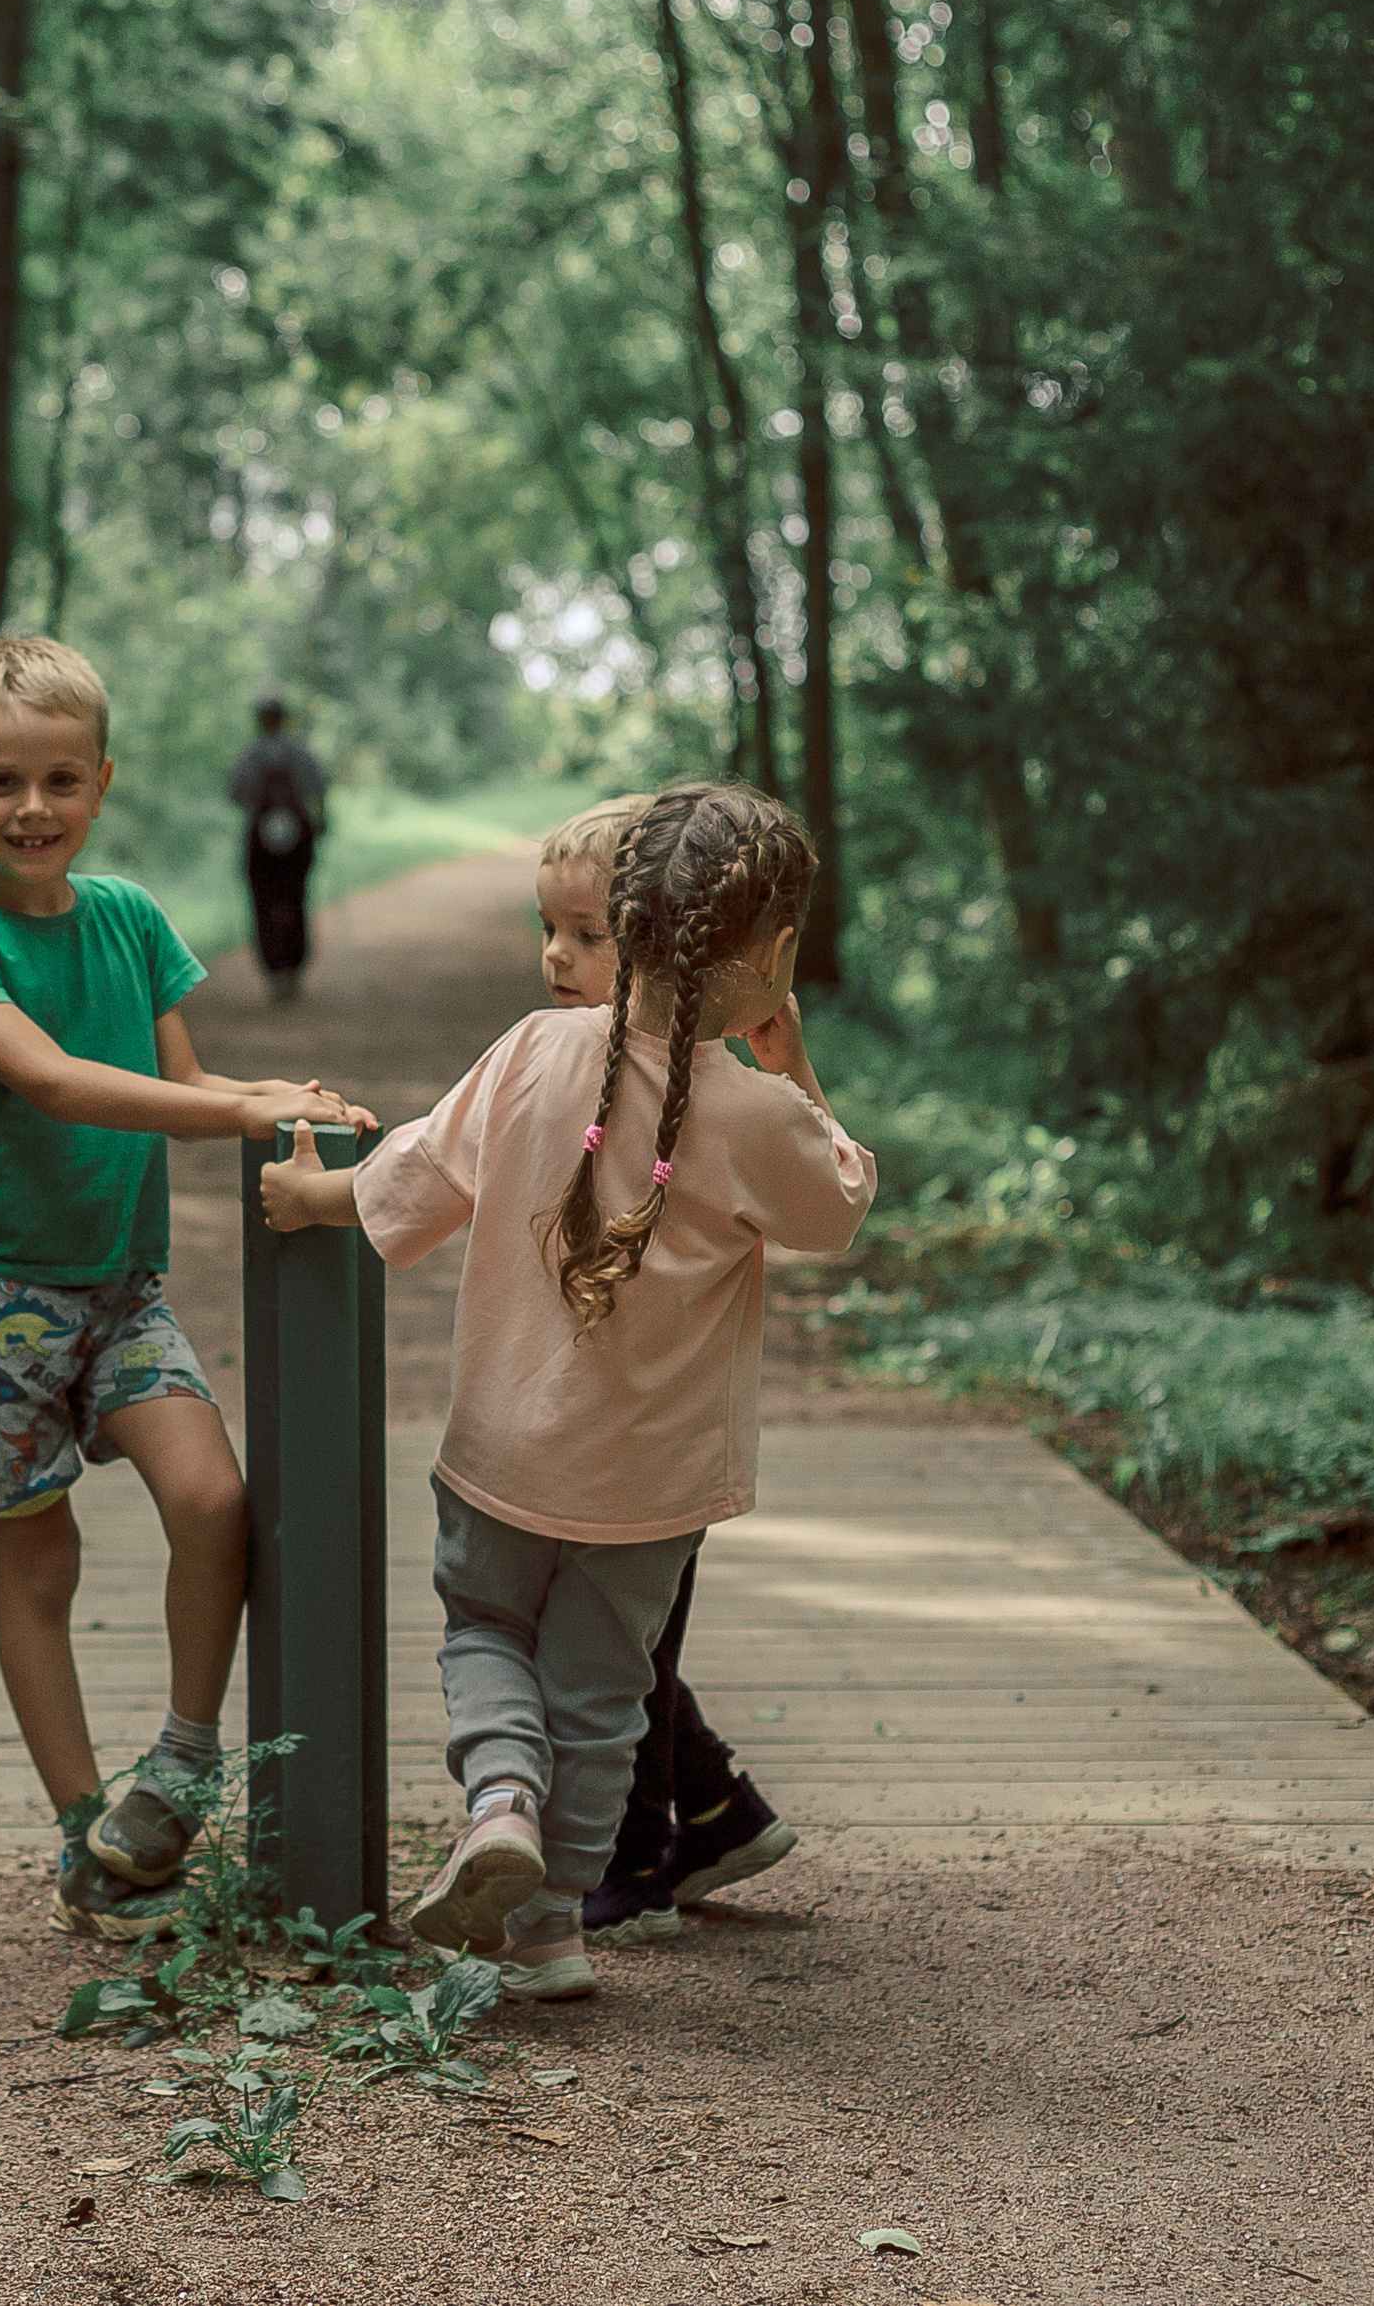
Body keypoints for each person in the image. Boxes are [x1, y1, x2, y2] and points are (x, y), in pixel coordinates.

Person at [261, 780, 875, 2001]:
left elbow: (415, 1177)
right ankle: (551, 1927)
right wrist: (794, 1063)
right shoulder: (755, 1116)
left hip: (500, 1453)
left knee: (485, 1630)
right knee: (602, 1695)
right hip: (652, 1489)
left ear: (626, 927)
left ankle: (498, 1800)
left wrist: (312, 1199)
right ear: (772, 955)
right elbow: (840, 1205)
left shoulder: (536, 1051)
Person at [0, 635, 374, 1939]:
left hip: (121, 1289)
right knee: (39, 1556)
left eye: (57, 779)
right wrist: (235, 1109)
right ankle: (79, 1827)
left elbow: (187, 1078)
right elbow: (50, 1079)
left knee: (213, 1498)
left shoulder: (133, 920)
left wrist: (280, 1103)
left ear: (101, 782)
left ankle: (180, 1764)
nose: (30, 808)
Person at [532, 796, 800, 1945]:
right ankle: (726, 1812)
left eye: (590, 936)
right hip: (579, 1424)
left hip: (656, 1431)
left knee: (610, 1646)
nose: (558, 957)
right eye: (547, 929)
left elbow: (822, 1190)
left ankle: (632, 1859)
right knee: (612, 1639)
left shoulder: (714, 1097)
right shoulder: (567, 1066)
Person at [227, 695, 330, 1002]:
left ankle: (274, 970)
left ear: (259, 720)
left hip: (260, 838)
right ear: (283, 718)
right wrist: (321, 820)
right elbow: (319, 788)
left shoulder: (249, 755)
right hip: (299, 836)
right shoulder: (300, 750)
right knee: (295, 898)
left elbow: (234, 795)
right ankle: (294, 968)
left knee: (263, 901)